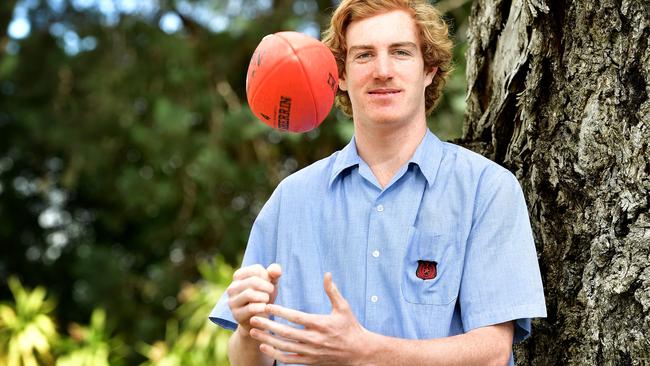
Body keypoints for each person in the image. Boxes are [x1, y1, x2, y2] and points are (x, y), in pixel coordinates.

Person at [209, 0, 547, 364]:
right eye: (363, 55)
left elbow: (493, 354)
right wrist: (247, 329)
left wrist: (366, 352)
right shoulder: (290, 201)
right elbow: (249, 359)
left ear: (429, 68)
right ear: (338, 74)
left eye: (400, 52)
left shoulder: (486, 190)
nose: (382, 70)